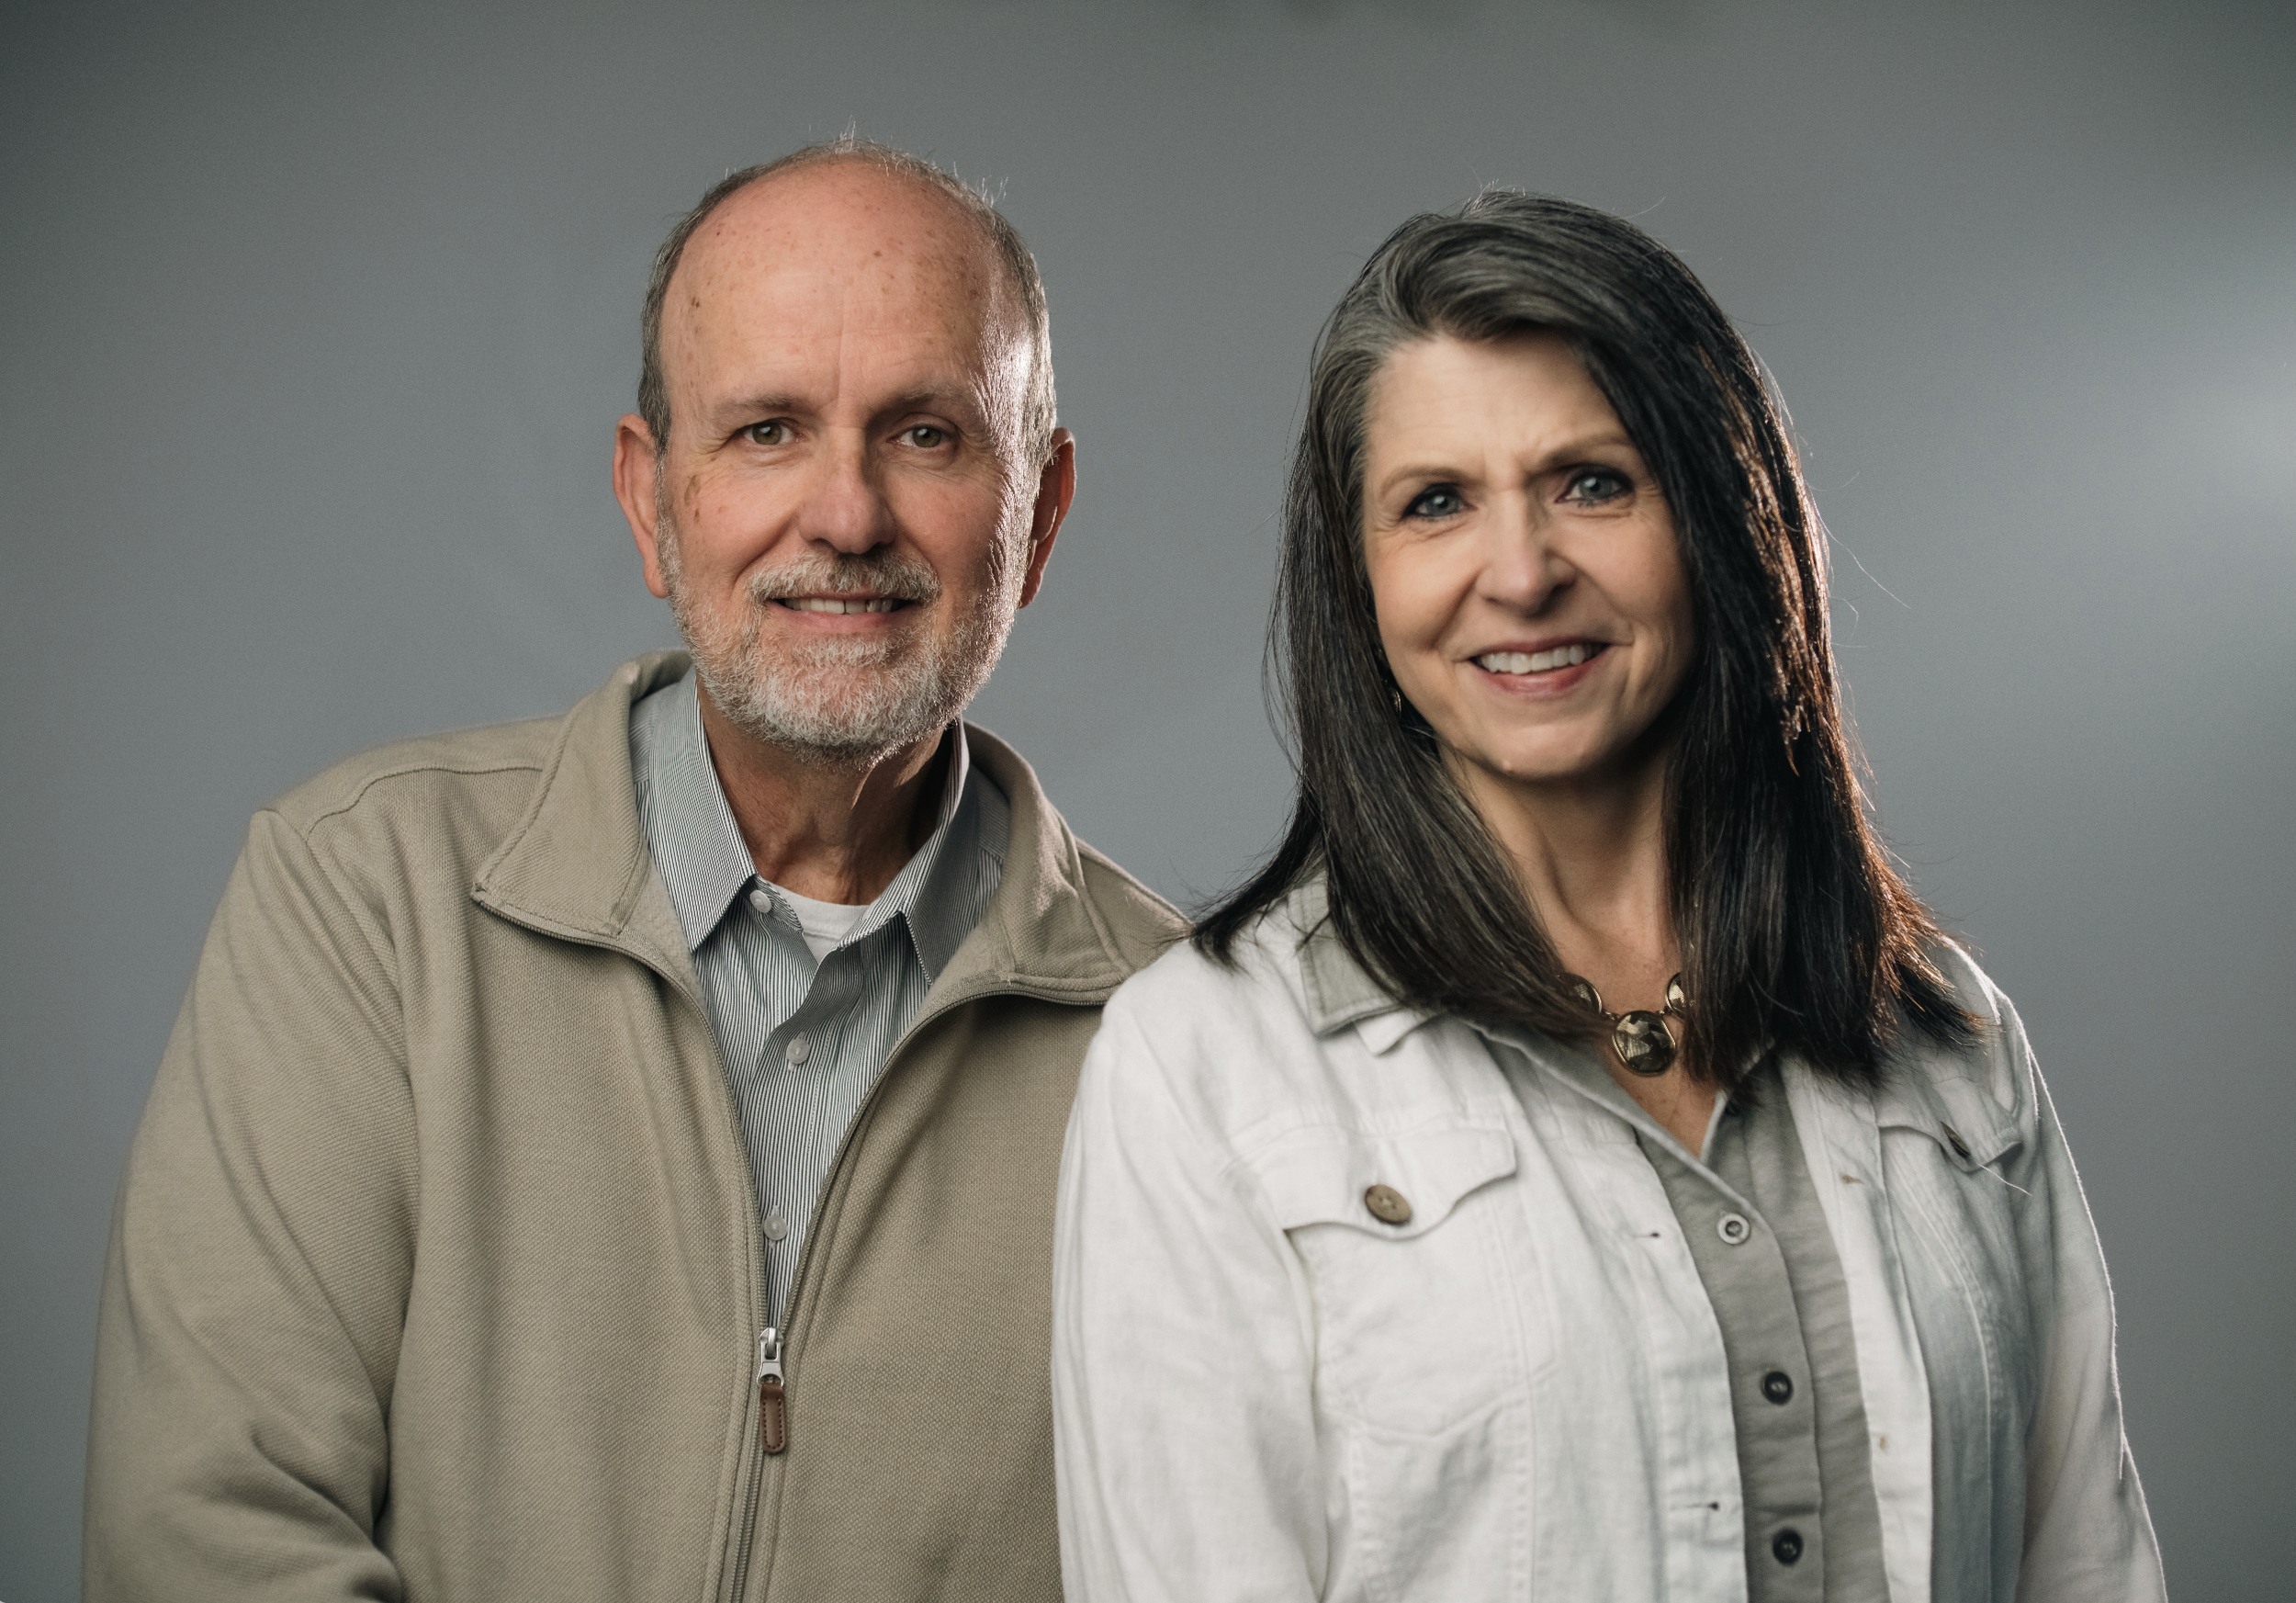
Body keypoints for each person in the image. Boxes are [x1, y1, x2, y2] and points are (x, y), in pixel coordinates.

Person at [84, 138, 1183, 1602]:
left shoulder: (1181, 1038)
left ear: (1035, 516)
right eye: (767, 431)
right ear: (647, 496)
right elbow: (209, 1538)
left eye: (925, 433)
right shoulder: (366, 895)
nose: (846, 516)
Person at [1052, 191, 2165, 1602]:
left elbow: (2088, 1564)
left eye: (1592, 481)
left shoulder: (1948, 1040)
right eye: (1436, 503)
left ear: (1719, 517)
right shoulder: (1203, 1068)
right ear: (1359, 576)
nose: (1520, 575)